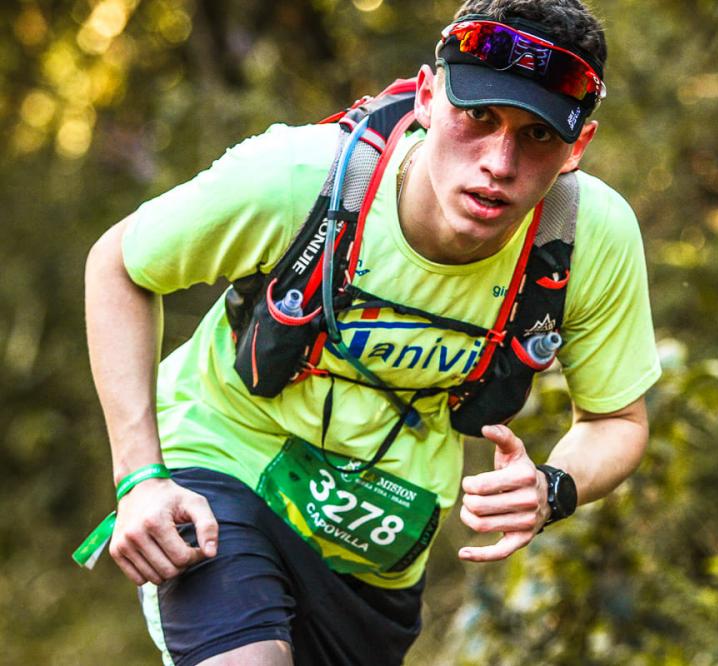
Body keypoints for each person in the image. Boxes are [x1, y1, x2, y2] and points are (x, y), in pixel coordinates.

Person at [82, 0, 660, 663]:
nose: (499, 162)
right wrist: (141, 478)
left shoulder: (588, 236)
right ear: (427, 98)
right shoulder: (296, 176)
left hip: (379, 548)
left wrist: (552, 488)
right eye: (479, 117)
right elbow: (119, 266)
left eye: (537, 134)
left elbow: (617, 420)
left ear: (577, 147)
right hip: (222, 464)